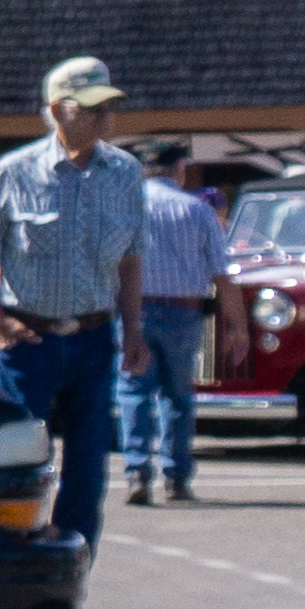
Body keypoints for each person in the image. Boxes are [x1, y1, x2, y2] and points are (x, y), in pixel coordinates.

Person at [0, 57, 147, 547]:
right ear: (60, 111)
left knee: (87, 469)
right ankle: (16, 570)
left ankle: (73, 579)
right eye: (94, 108)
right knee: (20, 463)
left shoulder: (125, 173)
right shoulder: (16, 171)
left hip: (93, 338)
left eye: (110, 107)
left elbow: (129, 260)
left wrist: (134, 334)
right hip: (28, 340)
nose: (107, 118)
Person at [118, 161, 234, 505]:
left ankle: (136, 471)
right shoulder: (198, 209)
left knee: (133, 391)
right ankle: (177, 477)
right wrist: (238, 324)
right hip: (184, 311)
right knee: (178, 395)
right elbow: (221, 272)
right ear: (178, 170)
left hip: (134, 309)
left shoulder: (124, 207)